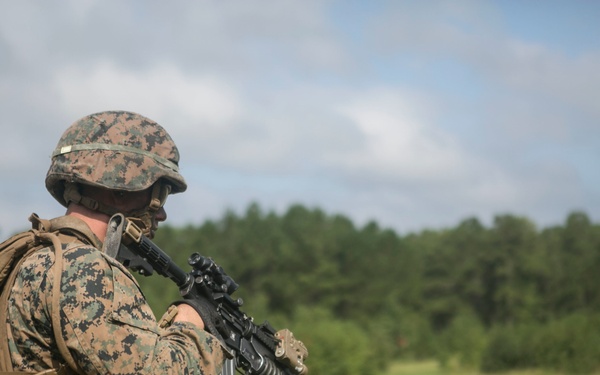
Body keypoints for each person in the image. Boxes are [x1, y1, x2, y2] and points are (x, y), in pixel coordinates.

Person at [2, 111, 226, 374]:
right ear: (121, 187)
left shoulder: (33, 257)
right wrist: (190, 323)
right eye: (160, 194)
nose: (162, 214)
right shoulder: (83, 268)